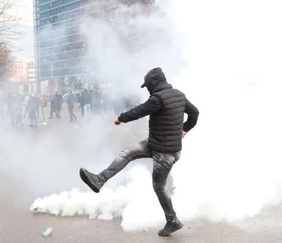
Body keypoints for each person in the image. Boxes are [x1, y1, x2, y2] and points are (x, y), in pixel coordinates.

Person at [79, 68, 199, 237]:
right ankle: (99, 179)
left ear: (154, 83)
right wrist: (185, 129)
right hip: (156, 144)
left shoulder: (158, 98)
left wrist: (121, 118)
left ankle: (172, 220)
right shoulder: (178, 94)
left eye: (148, 85)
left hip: (165, 153)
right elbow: (194, 113)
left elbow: (140, 110)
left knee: (158, 186)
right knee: (128, 151)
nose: (148, 88)